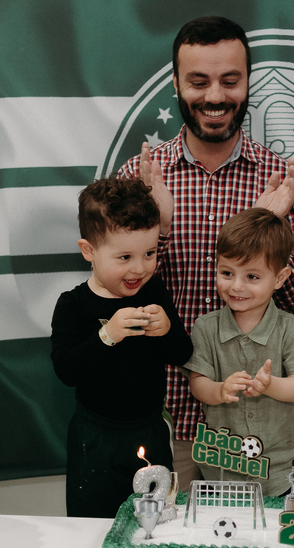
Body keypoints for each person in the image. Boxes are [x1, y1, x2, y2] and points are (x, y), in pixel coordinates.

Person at [117, 15, 294, 492]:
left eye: (230, 81)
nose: (214, 96)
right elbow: (111, 291)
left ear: (248, 82)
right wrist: (161, 230)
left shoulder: (280, 180)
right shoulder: (140, 176)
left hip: (253, 430)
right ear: (175, 83)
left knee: (252, 539)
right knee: (157, 536)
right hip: (160, 414)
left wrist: (264, 228)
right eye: (198, 81)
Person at [50, 178, 193, 518]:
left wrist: (167, 330)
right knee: (93, 524)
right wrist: (106, 335)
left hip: (151, 429)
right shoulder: (73, 304)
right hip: (94, 437)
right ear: (89, 251)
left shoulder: (154, 291)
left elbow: (182, 353)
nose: (139, 268)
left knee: (157, 522)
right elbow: (67, 370)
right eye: (125, 256)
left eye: (149, 253)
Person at [185, 209, 294, 496]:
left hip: (279, 473)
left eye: (252, 276)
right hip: (220, 471)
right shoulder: (206, 327)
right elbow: (197, 383)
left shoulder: (290, 327)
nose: (236, 286)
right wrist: (220, 390)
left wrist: (271, 385)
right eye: (227, 273)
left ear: (280, 278)